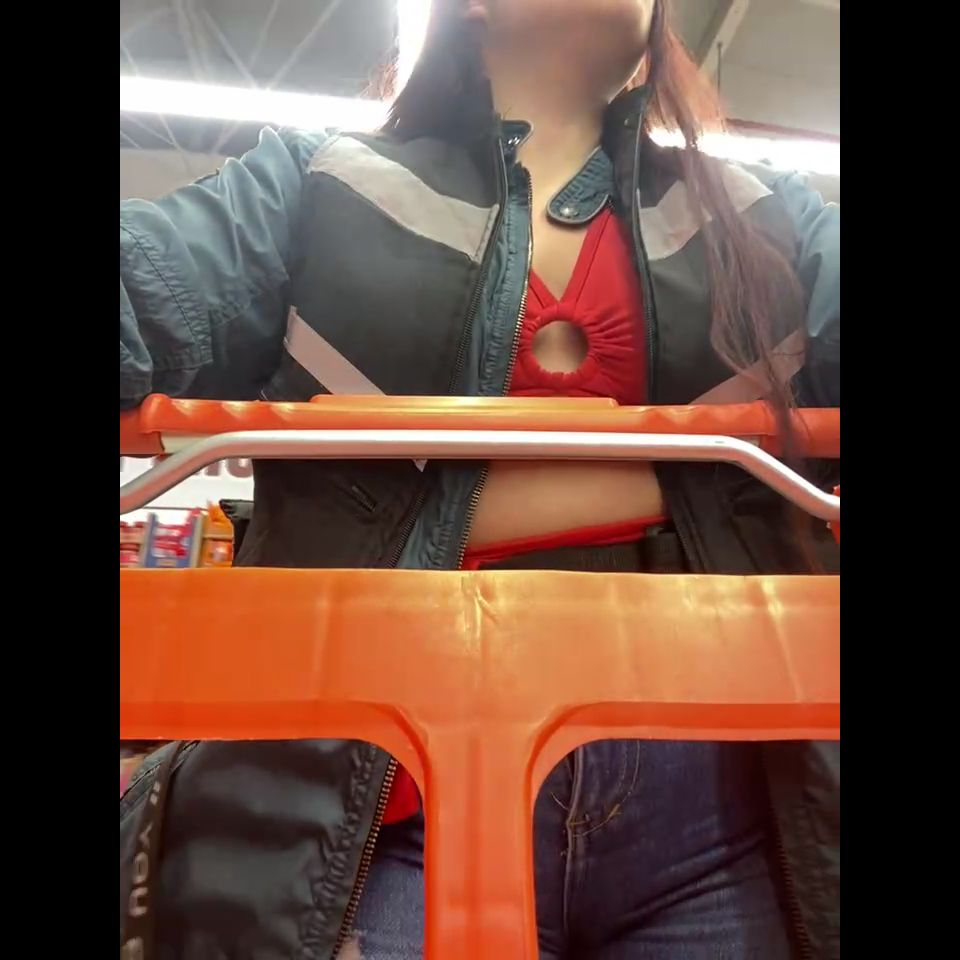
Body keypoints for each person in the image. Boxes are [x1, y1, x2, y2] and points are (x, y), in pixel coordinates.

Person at [119, 1, 840, 957]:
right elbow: (144, 284)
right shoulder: (319, 183)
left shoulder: (767, 214)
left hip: (726, 801)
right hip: (389, 787)